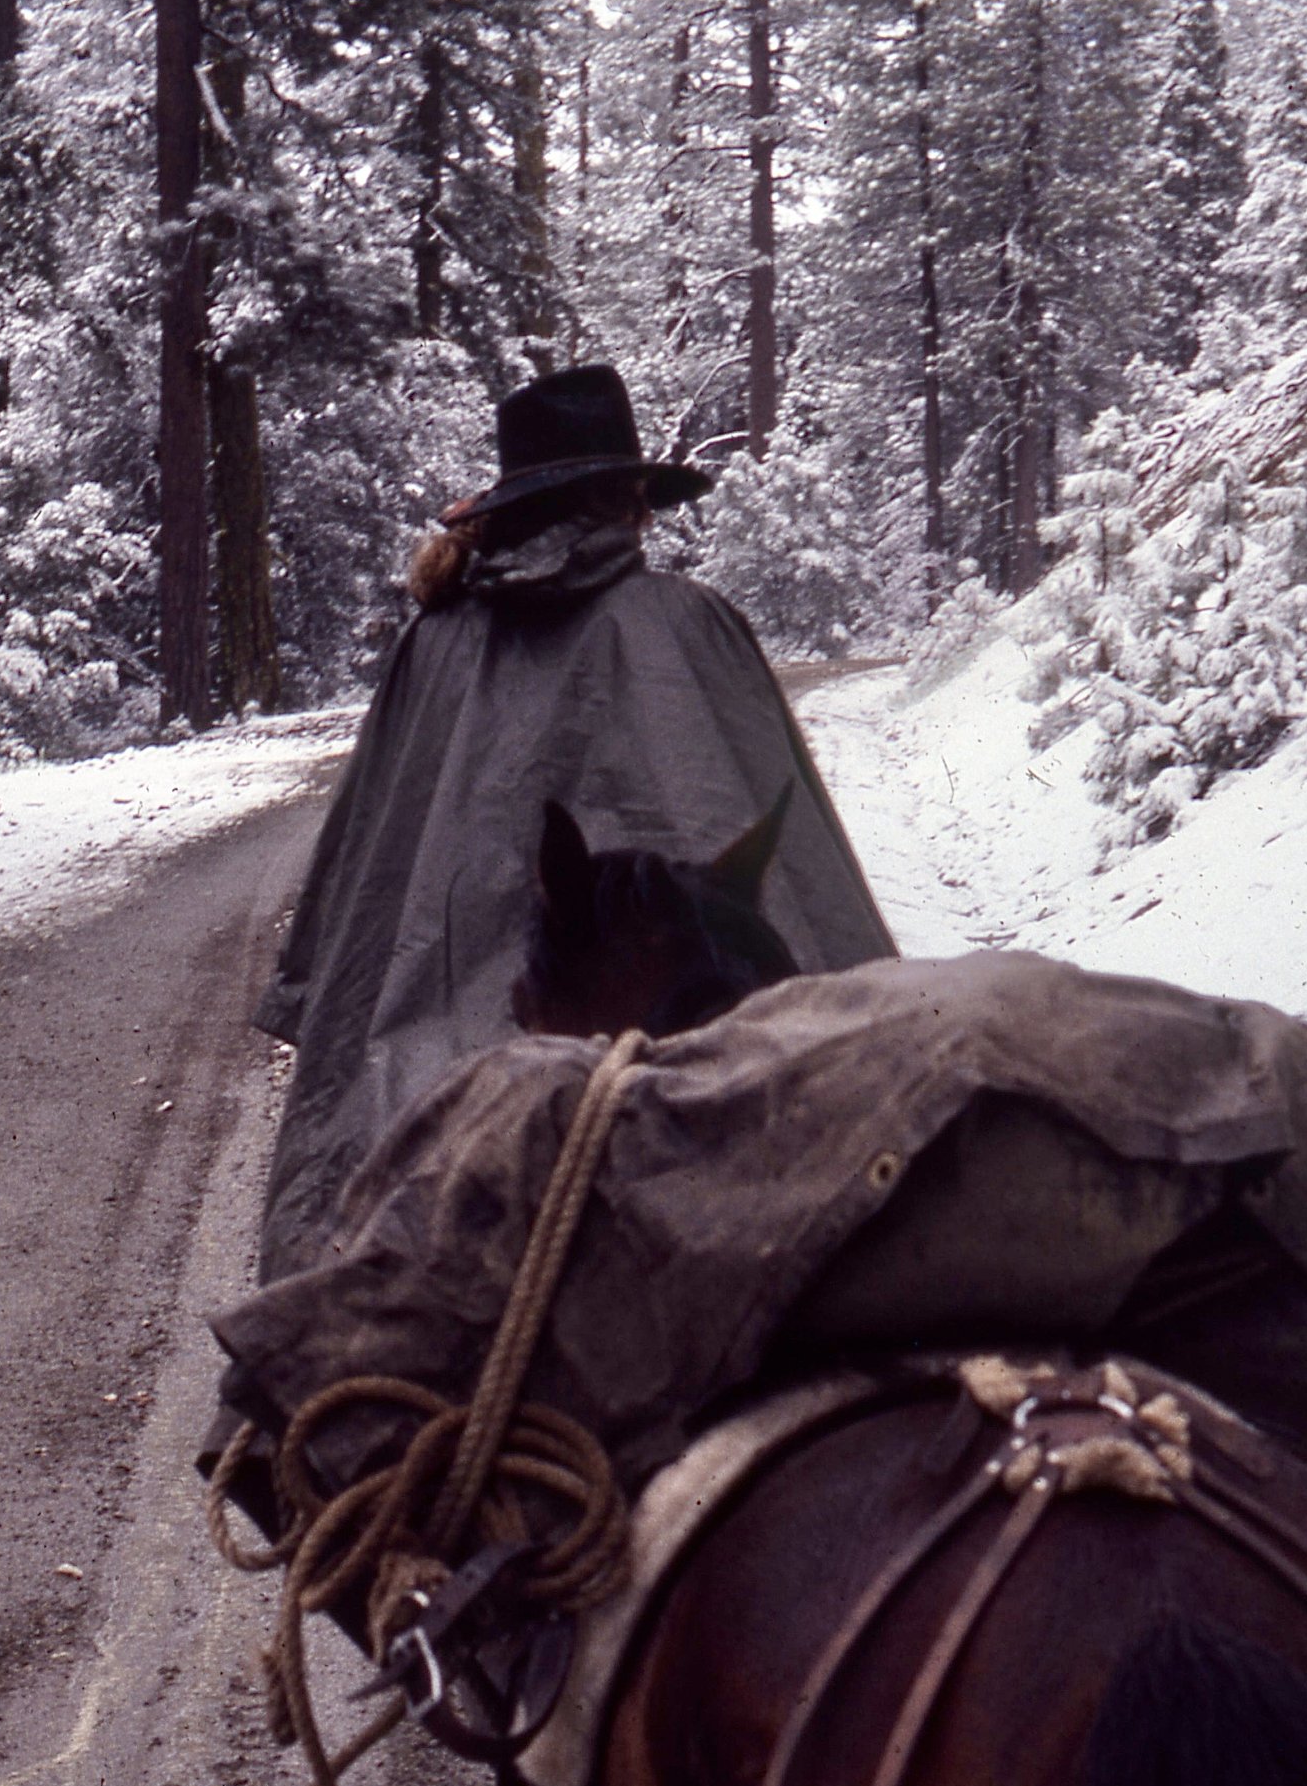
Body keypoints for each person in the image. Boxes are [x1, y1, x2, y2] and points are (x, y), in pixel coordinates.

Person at [253, 364, 895, 1280]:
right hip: (696, 1086)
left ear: (512, 506)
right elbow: (806, 882)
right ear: (631, 500)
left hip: (433, 1100)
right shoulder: (696, 625)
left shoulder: (431, 644)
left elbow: (356, 894)